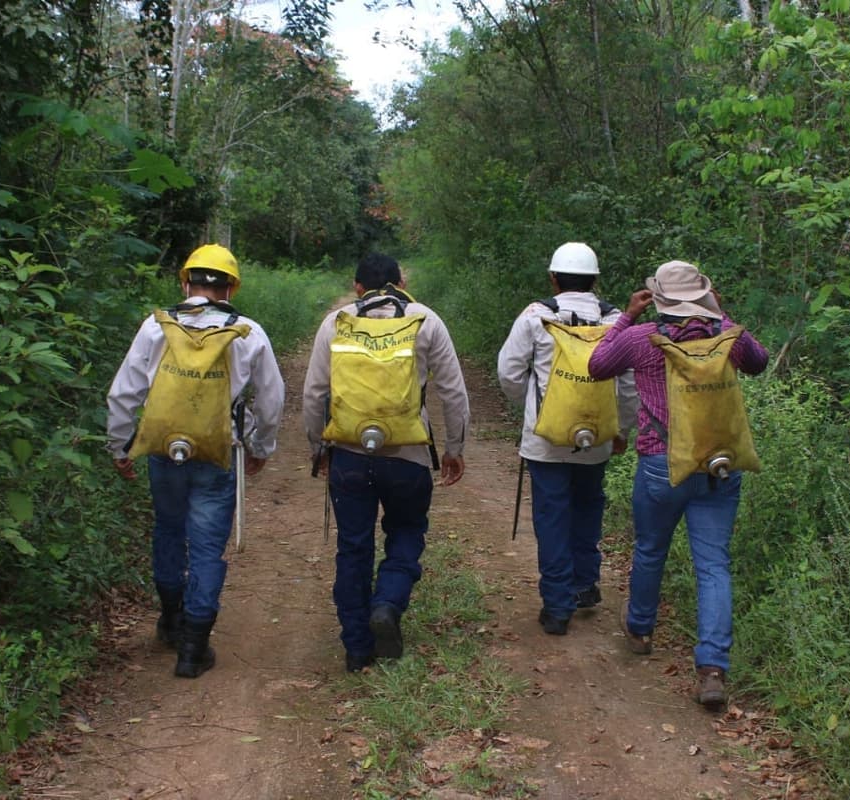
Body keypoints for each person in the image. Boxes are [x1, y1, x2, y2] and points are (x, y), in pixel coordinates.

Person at [587, 259, 767, 709]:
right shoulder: (726, 337)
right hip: (720, 464)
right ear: (704, 295)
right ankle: (711, 668)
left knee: (651, 548)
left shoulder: (641, 338)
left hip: (661, 463)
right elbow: (759, 363)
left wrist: (626, 315)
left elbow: (597, 366)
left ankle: (641, 629)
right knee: (713, 564)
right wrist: (721, 316)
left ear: (659, 298)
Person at [106, 244, 285, 679]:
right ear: (229, 288)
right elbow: (271, 399)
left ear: (185, 283)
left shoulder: (156, 326)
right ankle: (193, 649)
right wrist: (261, 448)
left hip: (164, 450)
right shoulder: (247, 331)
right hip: (216, 453)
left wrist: (119, 445)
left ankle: (170, 619)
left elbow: (124, 392)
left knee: (168, 530)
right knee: (206, 546)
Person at [302, 253, 470, 673]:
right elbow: (453, 392)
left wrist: (318, 449)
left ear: (358, 287)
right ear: (400, 282)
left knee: (353, 546)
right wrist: (454, 447)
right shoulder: (426, 319)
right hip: (409, 456)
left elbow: (313, 395)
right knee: (407, 530)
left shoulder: (336, 321)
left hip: (350, 457)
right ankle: (388, 604)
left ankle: (357, 647)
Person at [496, 242, 637, 635]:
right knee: (588, 509)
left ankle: (558, 607)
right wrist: (620, 430)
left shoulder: (535, 317)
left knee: (552, 518)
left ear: (553, 278)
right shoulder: (616, 322)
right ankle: (585, 584)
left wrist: (530, 408)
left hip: (545, 442)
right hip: (596, 439)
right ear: (595, 280)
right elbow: (627, 387)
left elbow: (508, 372)